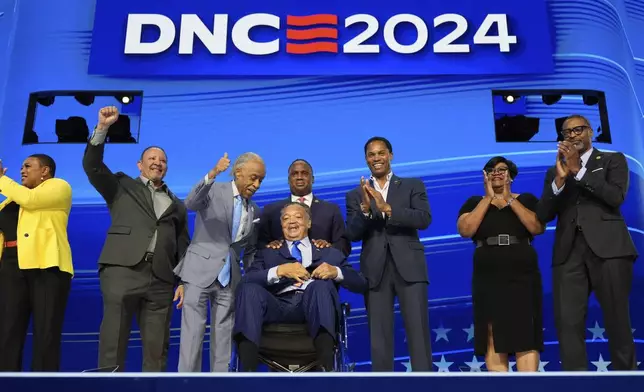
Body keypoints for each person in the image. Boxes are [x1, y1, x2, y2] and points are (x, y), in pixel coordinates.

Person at [83, 106, 190, 372]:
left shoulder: (177, 204)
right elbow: (93, 166)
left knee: (157, 348)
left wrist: (183, 281)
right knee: (113, 339)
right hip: (122, 271)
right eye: (152, 158)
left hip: (161, 280)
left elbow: (183, 245)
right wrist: (102, 129)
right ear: (140, 165)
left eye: (162, 160)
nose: (158, 162)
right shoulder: (121, 185)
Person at [537, 114, 638, 371]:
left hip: (610, 250)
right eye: (567, 132)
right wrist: (559, 182)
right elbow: (543, 215)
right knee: (568, 324)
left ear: (591, 132)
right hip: (568, 253)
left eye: (578, 130)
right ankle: (576, 383)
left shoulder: (613, 160)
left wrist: (578, 171)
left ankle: (625, 380)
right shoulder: (555, 170)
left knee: (617, 319)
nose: (572, 135)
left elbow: (615, 197)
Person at [233, 202, 367, 371]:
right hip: (277, 306)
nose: (291, 222)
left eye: (298, 217)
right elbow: (245, 281)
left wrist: (335, 272)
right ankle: (247, 374)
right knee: (248, 289)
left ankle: (327, 370)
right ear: (281, 225)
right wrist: (279, 270)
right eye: (286, 218)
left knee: (319, 287)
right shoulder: (268, 253)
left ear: (309, 223)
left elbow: (361, 283)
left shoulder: (329, 253)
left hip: (313, 306)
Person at [345, 136, 432, 372]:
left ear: (390, 155)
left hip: (410, 268)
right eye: (371, 155)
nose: (376, 158)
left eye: (381, 153)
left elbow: (424, 219)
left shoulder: (413, 185)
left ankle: (425, 385)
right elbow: (351, 234)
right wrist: (364, 210)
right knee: (379, 339)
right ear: (366, 159)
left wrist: (387, 208)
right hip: (375, 271)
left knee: (419, 335)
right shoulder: (355, 195)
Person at [173, 152, 265, 372]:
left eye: (261, 179)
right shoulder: (214, 190)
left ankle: (220, 383)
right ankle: (187, 383)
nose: (257, 184)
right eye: (253, 177)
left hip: (230, 278)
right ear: (238, 172)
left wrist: (250, 278)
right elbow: (191, 202)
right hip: (198, 272)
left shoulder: (254, 210)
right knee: (193, 334)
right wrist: (213, 173)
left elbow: (249, 248)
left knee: (224, 336)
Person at [457, 156, 544, 372]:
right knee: (492, 331)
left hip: (522, 273)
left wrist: (509, 200)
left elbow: (536, 227)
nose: (496, 173)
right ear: (484, 176)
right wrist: (488, 199)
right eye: (491, 170)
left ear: (511, 176)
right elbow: (465, 230)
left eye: (502, 169)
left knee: (525, 332)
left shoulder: (526, 199)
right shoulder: (474, 202)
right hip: (488, 275)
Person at [0, 155, 73, 371]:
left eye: (28, 166)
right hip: (12, 268)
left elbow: (31, 201)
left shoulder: (59, 187)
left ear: (45, 171)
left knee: (46, 331)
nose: (22, 170)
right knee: (8, 331)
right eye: (21, 166)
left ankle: (44, 384)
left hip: (47, 267)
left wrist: (1, 180)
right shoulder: (11, 200)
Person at [258, 159, 350, 255]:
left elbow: (343, 246)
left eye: (304, 173)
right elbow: (259, 246)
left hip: (322, 268)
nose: (299, 177)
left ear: (313, 179)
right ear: (288, 180)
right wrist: (270, 247)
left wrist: (328, 248)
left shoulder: (331, 210)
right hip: (285, 268)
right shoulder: (271, 211)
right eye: (294, 174)